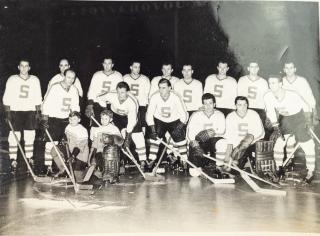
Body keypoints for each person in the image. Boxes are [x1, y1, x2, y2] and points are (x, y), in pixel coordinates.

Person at [264, 75, 315, 182]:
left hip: (298, 118)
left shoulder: (292, 95)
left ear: (280, 84)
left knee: (307, 144)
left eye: (274, 83)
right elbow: (270, 112)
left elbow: (307, 106)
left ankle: (311, 171)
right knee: (279, 142)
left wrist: (309, 121)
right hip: (285, 119)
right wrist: (276, 127)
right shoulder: (267, 96)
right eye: (270, 83)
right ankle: (279, 169)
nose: (271, 86)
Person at [96, 82, 147, 170]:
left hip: (130, 117)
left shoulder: (133, 102)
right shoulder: (111, 95)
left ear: (127, 92)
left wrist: (128, 138)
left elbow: (131, 121)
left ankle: (143, 161)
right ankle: (120, 162)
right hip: (117, 116)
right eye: (118, 92)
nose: (120, 95)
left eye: (122, 92)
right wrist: (105, 110)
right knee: (119, 139)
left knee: (138, 136)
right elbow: (99, 96)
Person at [3, 59, 42, 172]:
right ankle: (13, 160)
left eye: (26, 66)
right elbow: (7, 97)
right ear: (18, 67)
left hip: (30, 111)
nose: (24, 68)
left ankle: (30, 158)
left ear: (29, 68)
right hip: (16, 111)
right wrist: (7, 112)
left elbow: (38, 97)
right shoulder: (12, 79)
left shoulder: (35, 80)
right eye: (22, 66)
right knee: (14, 136)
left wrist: (38, 112)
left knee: (30, 135)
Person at [41, 69, 80, 174]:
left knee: (65, 145)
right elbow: (46, 103)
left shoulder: (74, 90)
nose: (70, 80)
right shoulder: (55, 87)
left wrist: (76, 118)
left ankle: (62, 167)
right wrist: (45, 118)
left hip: (67, 120)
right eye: (68, 77)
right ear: (64, 76)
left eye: (73, 78)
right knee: (51, 143)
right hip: (54, 118)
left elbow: (75, 106)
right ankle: (48, 166)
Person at [146, 78, 189, 170]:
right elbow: (149, 115)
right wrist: (153, 130)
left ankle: (184, 160)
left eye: (164, 88)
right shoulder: (154, 97)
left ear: (170, 88)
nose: (161, 90)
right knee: (155, 139)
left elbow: (184, 115)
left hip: (174, 120)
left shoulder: (176, 97)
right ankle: (151, 160)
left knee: (180, 139)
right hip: (160, 120)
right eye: (160, 88)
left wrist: (178, 128)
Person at [215, 96, 265, 170]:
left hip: (251, 143)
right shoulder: (230, 116)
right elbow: (229, 136)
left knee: (236, 168)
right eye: (240, 105)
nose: (243, 107)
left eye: (245, 104)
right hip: (236, 144)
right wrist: (231, 151)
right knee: (221, 143)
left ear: (247, 105)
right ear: (235, 106)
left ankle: (252, 165)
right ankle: (219, 166)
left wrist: (246, 143)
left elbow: (260, 132)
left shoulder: (254, 114)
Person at [187, 93, 225, 175]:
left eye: (210, 103)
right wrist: (196, 146)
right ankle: (201, 164)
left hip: (213, 141)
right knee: (194, 173)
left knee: (223, 143)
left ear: (214, 104)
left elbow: (222, 131)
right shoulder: (196, 115)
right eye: (205, 103)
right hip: (200, 142)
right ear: (202, 104)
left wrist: (210, 133)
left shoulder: (220, 115)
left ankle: (219, 166)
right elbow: (190, 134)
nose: (208, 106)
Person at [51, 111, 89, 181]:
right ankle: (63, 169)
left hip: (80, 155)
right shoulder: (68, 126)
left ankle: (84, 171)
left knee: (77, 177)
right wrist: (64, 140)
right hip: (69, 151)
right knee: (54, 149)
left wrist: (73, 156)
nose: (71, 121)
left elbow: (80, 147)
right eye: (70, 119)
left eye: (74, 119)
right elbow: (65, 137)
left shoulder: (82, 130)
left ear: (79, 120)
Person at [86, 57, 123, 125]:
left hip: (112, 105)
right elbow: (92, 90)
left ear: (112, 65)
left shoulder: (118, 75)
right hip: (98, 104)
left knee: (114, 128)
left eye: (109, 63)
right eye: (105, 63)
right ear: (102, 64)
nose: (107, 65)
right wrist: (90, 105)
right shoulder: (97, 75)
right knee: (97, 127)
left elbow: (121, 92)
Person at [89, 110, 123, 184]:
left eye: (106, 119)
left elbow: (120, 142)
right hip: (100, 152)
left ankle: (114, 176)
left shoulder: (114, 129)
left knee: (110, 159)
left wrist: (111, 138)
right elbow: (94, 144)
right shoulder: (97, 130)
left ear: (110, 119)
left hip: (111, 153)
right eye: (102, 118)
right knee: (99, 160)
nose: (103, 121)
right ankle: (104, 173)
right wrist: (91, 157)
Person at [282, 62, 318, 127]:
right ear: (284, 70)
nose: (289, 70)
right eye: (287, 68)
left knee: (307, 134)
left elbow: (310, 97)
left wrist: (314, 112)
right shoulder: (281, 81)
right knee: (289, 134)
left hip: (304, 112)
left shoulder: (302, 81)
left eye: (291, 68)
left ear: (295, 69)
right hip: (289, 113)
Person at [123, 61, 150, 130]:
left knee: (142, 124)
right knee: (128, 125)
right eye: (135, 67)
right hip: (128, 104)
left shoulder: (145, 79)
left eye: (139, 67)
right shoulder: (125, 78)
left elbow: (148, 94)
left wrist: (147, 105)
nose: (137, 69)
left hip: (141, 105)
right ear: (131, 67)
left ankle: (142, 139)